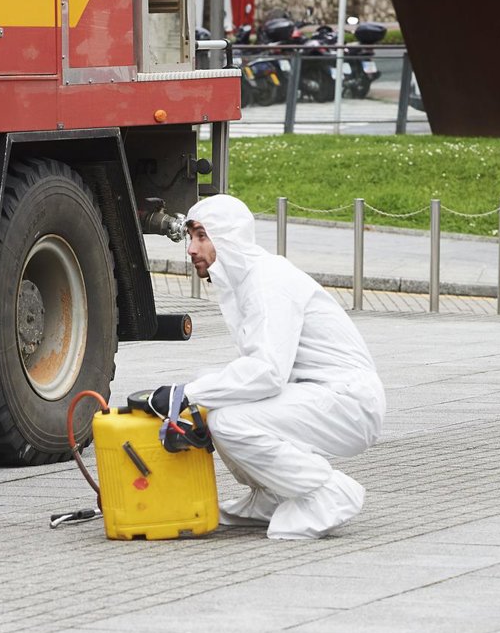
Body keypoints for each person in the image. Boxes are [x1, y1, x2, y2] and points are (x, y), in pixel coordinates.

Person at [151, 194, 385, 539]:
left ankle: (329, 492)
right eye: (190, 237)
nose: (191, 249)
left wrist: (186, 394)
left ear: (227, 238)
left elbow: (268, 372)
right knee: (213, 398)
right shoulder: (250, 280)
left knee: (228, 421)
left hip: (349, 402)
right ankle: (272, 496)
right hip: (327, 394)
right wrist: (196, 397)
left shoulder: (267, 282)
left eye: (201, 236)